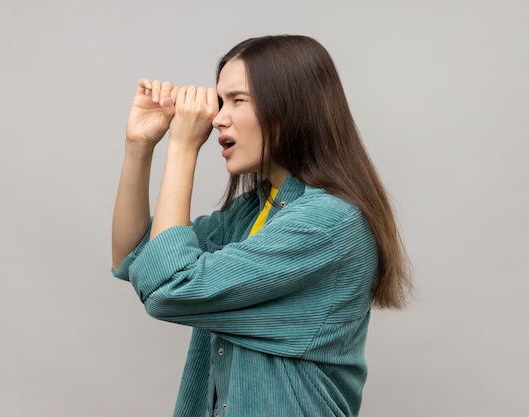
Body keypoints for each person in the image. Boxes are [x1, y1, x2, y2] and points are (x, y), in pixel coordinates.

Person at [111, 34, 412, 417]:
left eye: (238, 101)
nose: (218, 117)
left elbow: (169, 286)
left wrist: (183, 149)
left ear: (290, 107)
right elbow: (135, 253)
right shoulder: (256, 212)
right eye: (221, 102)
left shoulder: (329, 224)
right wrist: (139, 147)